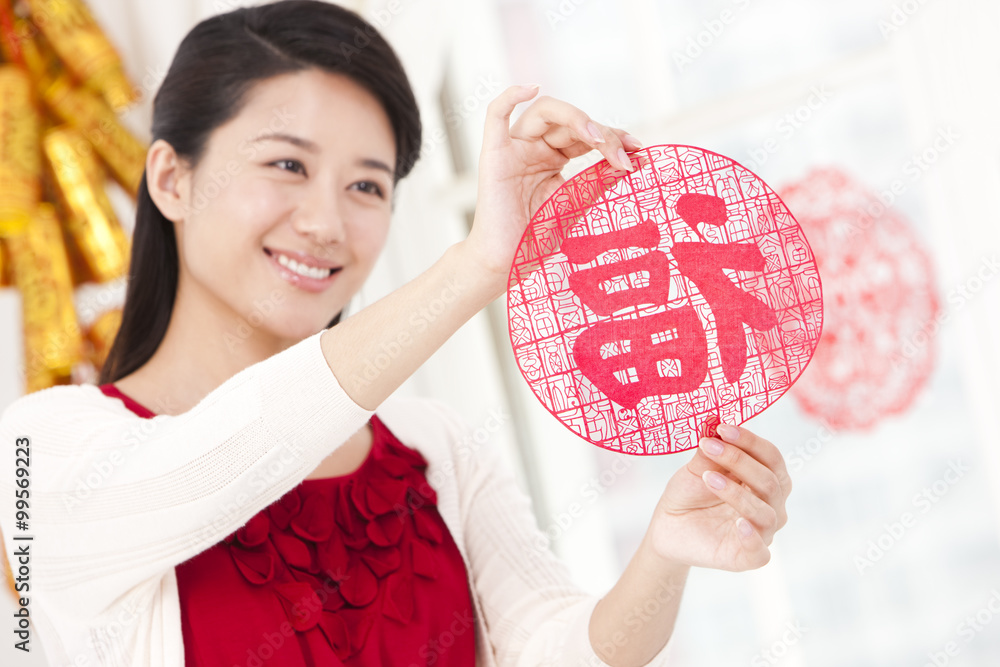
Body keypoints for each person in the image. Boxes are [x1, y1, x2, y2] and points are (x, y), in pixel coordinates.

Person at [0, 2, 792, 665]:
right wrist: (481, 263)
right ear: (171, 178)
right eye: (286, 165)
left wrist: (664, 555)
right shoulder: (38, 449)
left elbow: (555, 645)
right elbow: (230, 454)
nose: (324, 223)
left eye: (367, 185)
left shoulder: (436, 443)